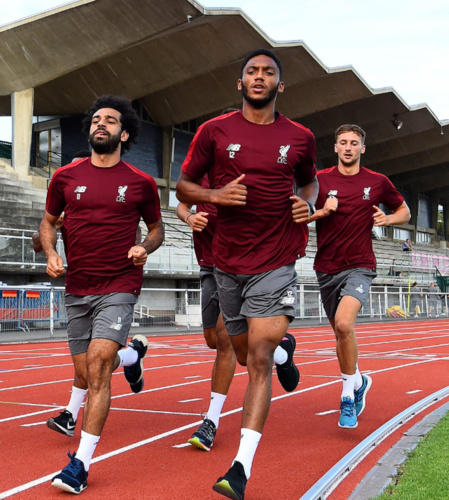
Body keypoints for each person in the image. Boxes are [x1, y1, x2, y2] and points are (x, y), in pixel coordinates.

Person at [176, 48, 312, 500]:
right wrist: (214, 196)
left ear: (280, 84)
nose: (259, 77)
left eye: (268, 72)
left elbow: (309, 181)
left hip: (276, 260)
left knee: (255, 361)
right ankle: (282, 354)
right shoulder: (213, 131)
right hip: (225, 262)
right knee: (234, 348)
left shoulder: (300, 136)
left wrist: (307, 203)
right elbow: (183, 187)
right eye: (251, 72)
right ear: (240, 83)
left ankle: (240, 468)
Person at [40, 95, 164, 495]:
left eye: (110, 120)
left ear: (123, 133)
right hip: (76, 287)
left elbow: (157, 228)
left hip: (119, 285)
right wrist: (51, 251)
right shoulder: (65, 177)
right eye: (96, 119)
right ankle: (133, 356)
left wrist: (145, 246)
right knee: (84, 371)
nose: (101, 124)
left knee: (96, 367)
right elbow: (47, 223)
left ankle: (81, 463)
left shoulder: (141, 182)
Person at [299, 124, 410, 429]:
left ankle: (348, 396)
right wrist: (321, 212)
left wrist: (388, 218)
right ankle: (359, 380)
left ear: (362, 148)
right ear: (335, 148)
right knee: (340, 334)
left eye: (354, 143)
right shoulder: (319, 181)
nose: (348, 147)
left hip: (360, 265)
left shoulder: (377, 181)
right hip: (326, 267)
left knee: (345, 324)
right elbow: (294, 215)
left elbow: (405, 211)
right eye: (343, 142)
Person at [177, 182, 236, 452]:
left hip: (238, 266)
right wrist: (190, 217)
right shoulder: (198, 176)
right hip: (208, 265)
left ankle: (210, 421)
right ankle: (281, 350)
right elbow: (180, 204)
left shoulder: (242, 172)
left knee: (225, 341)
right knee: (212, 339)